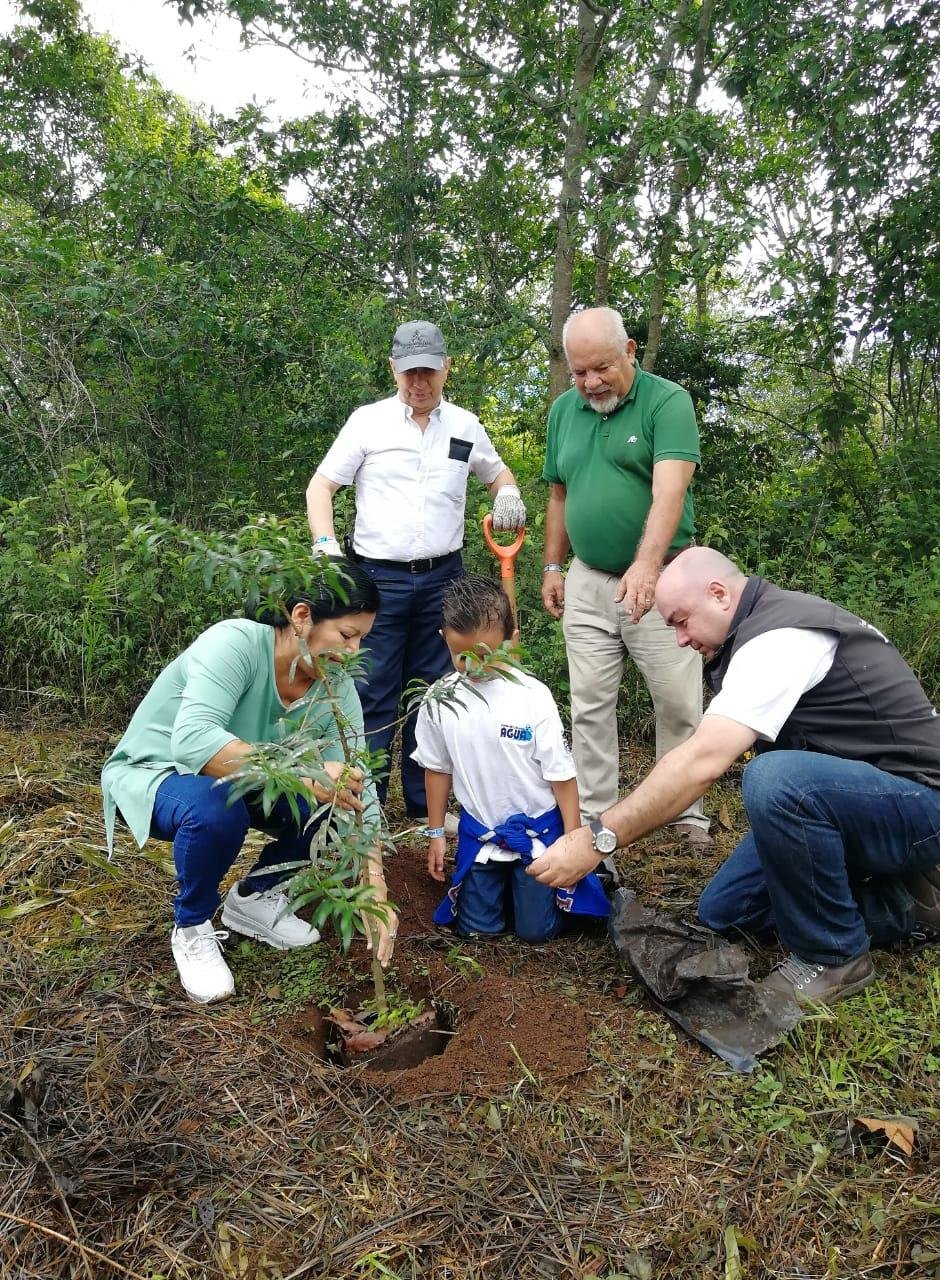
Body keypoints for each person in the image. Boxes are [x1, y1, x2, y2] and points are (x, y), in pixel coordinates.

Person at [529, 546, 940, 1004]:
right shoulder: (757, 629)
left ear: (718, 594)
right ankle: (903, 904)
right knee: (726, 910)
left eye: (680, 620)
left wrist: (599, 838)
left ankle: (834, 957)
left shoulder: (780, 639)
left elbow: (701, 761)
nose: (678, 639)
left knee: (776, 781)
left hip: (928, 807)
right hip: (860, 800)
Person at [101, 564, 398, 1004]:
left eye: (361, 640)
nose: (354, 651)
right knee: (216, 807)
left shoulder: (335, 686)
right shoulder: (236, 643)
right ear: (302, 616)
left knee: (335, 801)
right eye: (346, 635)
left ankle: (254, 897)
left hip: (244, 776)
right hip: (160, 772)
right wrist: (302, 774)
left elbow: (359, 782)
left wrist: (375, 880)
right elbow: (193, 741)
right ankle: (192, 925)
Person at [306, 320, 526, 825]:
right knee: (374, 692)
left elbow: (497, 474)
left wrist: (507, 494)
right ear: (393, 369)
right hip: (377, 579)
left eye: (428, 371)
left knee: (437, 692)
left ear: (446, 368)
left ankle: (428, 809)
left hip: (444, 580)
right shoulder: (368, 423)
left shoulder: (465, 427)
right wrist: (326, 548)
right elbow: (322, 488)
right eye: (408, 373)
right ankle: (367, 809)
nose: (418, 383)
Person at [541, 306, 710, 847]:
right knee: (589, 704)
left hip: (666, 579)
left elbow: (669, 492)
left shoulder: (668, 402)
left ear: (630, 351)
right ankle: (597, 818)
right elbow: (558, 493)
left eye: (602, 368)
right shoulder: (564, 411)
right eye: (579, 371)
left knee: (680, 701)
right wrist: (551, 564)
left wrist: (646, 565)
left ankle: (685, 814)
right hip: (588, 580)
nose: (591, 382)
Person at [412, 573, 609, 941]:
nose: (473, 666)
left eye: (485, 654)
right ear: (444, 641)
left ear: (511, 643)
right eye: (460, 655)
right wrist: (436, 832)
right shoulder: (439, 700)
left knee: (535, 932)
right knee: (476, 931)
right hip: (483, 835)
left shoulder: (532, 697)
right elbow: (436, 769)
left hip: (535, 833)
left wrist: (572, 839)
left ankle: (539, 901)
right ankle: (498, 896)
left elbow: (561, 776)